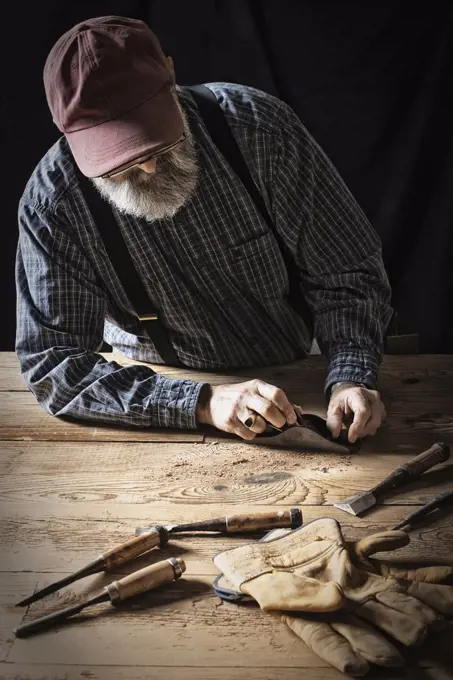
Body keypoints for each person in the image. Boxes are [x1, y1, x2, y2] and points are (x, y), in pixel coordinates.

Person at [16, 15, 392, 444]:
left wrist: (350, 374)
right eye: (117, 161)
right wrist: (200, 401)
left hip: (300, 376)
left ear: (171, 77)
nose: (149, 166)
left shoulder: (261, 132)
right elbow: (55, 363)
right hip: (151, 396)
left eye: (158, 140)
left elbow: (347, 272)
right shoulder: (55, 205)